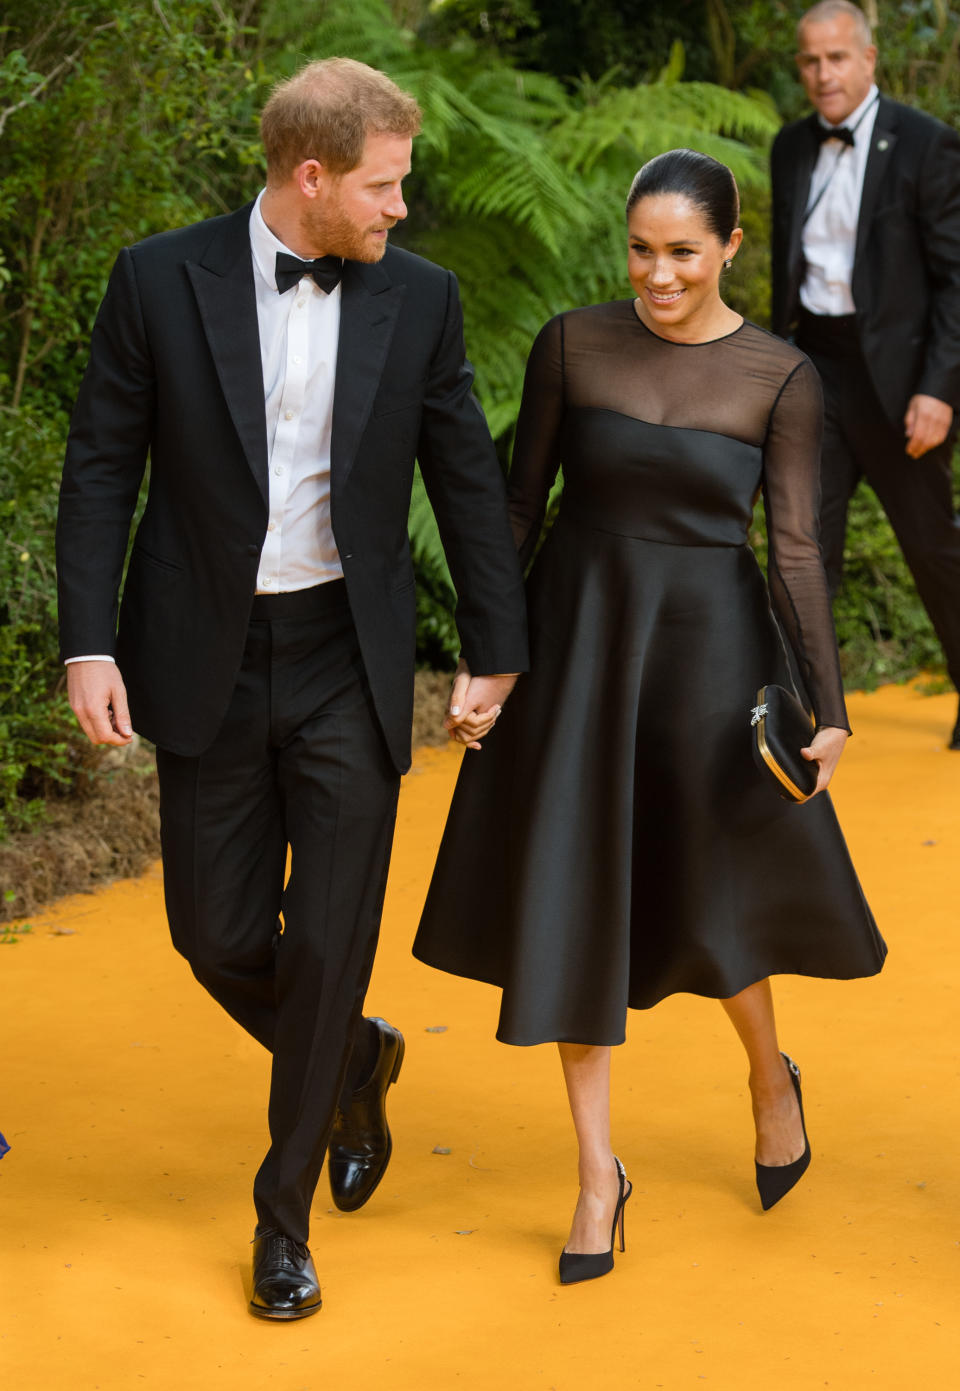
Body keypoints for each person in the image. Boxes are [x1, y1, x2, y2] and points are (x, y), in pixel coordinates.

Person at [55, 58, 527, 1319]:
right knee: (212, 932)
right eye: (384, 186)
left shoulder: (419, 300)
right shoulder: (160, 276)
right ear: (310, 177)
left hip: (346, 658)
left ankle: (282, 1217)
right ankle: (355, 1058)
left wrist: (497, 639)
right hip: (202, 650)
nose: (402, 210)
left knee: (326, 943)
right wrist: (87, 642)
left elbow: (466, 473)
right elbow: (101, 461)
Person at [414, 149, 886, 1285]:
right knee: (573, 900)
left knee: (711, 897)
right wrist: (490, 658)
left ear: (730, 246)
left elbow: (795, 547)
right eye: (640, 249)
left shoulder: (782, 377)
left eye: (682, 251)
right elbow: (519, 505)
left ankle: (771, 1076)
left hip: (711, 661)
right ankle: (595, 1175)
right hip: (579, 645)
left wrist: (826, 706)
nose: (657, 273)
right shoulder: (573, 343)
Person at [771, 0, 960, 749]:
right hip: (814, 368)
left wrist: (940, 389)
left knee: (932, 547)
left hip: (901, 382)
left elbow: (956, 280)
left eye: (837, 58)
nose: (824, 74)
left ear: (869, 58)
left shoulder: (927, 144)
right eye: (811, 62)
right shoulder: (790, 147)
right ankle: (800, 708)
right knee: (802, 541)